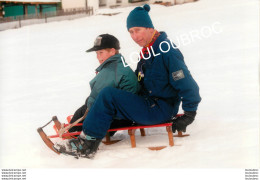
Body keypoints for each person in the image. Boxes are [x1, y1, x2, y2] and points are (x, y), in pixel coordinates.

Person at [53, 4, 201, 159]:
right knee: (109, 95)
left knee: (108, 95)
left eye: (138, 30)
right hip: (148, 103)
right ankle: (92, 129)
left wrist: (189, 114)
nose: (135, 36)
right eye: (131, 32)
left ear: (150, 28)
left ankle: (87, 144)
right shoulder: (148, 51)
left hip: (160, 108)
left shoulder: (166, 51)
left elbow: (187, 84)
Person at [68, 34, 139, 133]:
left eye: (101, 52)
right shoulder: (117, 65)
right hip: (126, 114)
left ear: (112, 51)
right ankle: (74, 127)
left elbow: (96, 99)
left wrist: (87, 105)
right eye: (96, 53)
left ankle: (72, 132)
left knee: (84, 110)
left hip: (120, 118)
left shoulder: (111, 70)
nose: (98, 57)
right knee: (87, 105)